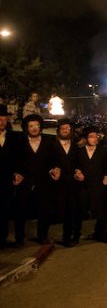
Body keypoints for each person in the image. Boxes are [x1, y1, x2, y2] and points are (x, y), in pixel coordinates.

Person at [13, 114, 60, 245]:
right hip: (25, 182)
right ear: (26, 128)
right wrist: (17, 173)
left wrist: (54, 169)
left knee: (44, 211)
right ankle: (19, 238)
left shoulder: (49, 142)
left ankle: (42, 236)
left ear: (41, 127)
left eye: (37, 126)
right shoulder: (20, 142)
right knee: (20, 211)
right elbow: (15, 161)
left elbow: (54, 160)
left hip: (44, 182)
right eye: (31, 126)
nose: (34, 128)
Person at [74, 127, 107, 243]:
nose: (94, 139)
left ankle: (101, 234)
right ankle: (75, 235)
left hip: (98, 185)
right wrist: (77, 171)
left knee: (101, 212)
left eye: (96, 136)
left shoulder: (104, 151)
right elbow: (75, 165)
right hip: (83, 185)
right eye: (91, 136)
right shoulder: (79, 151)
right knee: (79, 211)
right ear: (86, 139)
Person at [53, 118, 79, 247]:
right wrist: (52, 170)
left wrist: (79, 171)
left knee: (70, 211)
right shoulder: (52, 145)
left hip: (72, 185)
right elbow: (46, 162)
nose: (65, 130)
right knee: (54, 211)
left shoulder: (75, 146)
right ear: (59, 130)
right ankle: (43, 236)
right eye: (63, 128)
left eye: (67, 128)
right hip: (56, 184)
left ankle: (67, 237)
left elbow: (78, 163)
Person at [0, 104, 21, 248]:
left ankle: (2, 238)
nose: (1, 121)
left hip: (6, 181)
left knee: (4, 210)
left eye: (3, 119)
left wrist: (17, 172)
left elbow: (18, 158)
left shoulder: (13, 137)